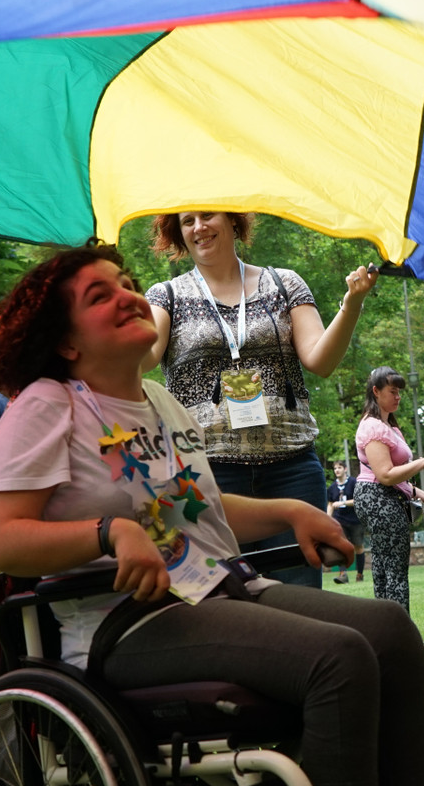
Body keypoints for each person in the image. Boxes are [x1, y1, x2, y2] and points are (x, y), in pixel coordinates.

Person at [0, 245, 424, 786]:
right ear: (63, 341)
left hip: (213, 589)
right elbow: (1, 539)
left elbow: (194, 508)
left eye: (125, 284)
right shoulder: (45, 406)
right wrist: (107, 534)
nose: (125, 295)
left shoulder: (157, 402)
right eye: (99, 296)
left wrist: (290, 511)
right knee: (339, 658)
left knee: (387, 629)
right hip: (126, 623)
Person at [141, 210, 376, 587]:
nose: (198, 227)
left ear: (234, 220)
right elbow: (143, 357)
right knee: (221, 600)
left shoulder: (284, 283)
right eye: (187, 221)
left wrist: (351, 304)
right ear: (179, 234)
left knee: (300, 600)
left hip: (292, 469)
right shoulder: (165, 296)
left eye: (207, 216)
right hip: (209, 472)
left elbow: (321, 360)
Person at [354, 366, 424, 611]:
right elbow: (385, 476)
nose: (398, 396)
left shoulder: (387, 426)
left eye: (399, 392)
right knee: (394, 570)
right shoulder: (373, 427)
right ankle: (399, 634)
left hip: (383, 497)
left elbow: (399, 481)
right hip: (378, 498)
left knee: (385, 569)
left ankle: (388, 630)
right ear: (376, 391)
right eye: (392, 391)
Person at [323, 460, 366, 585]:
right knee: (341, 547)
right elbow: (330, 504)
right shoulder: (332, 487)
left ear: (345, 469)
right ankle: (343, 574)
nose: (337, 470)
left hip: (355, 520)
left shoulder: (353, 483)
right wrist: (327, 519)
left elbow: (358, 500)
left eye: (340, 467)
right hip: (339, 521)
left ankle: (360, 574)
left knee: (358, 547)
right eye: (335, 468)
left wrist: (342, 503)